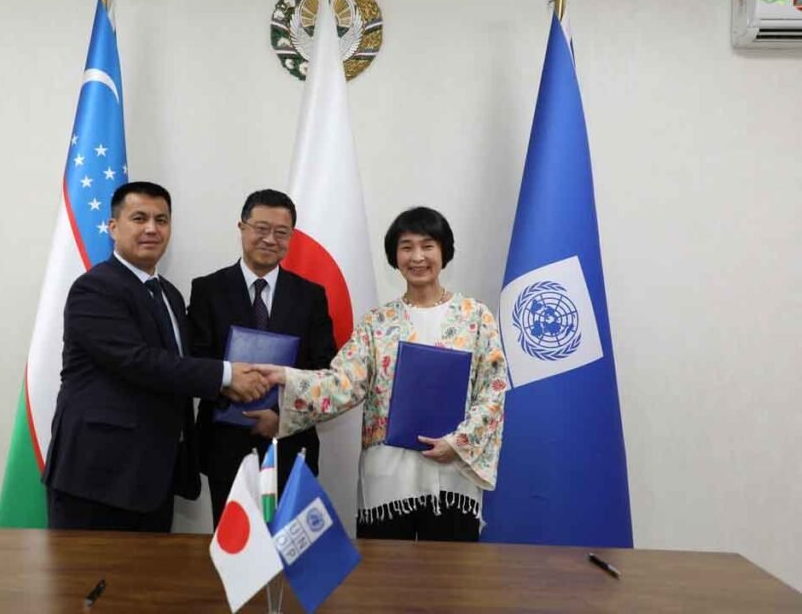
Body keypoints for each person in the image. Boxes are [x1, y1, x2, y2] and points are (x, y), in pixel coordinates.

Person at [256, 206, 509, 541]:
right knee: (385, 572)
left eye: (427, 246)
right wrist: (288, 379)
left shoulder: (475, 316)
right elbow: (343, 382)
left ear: (444, 251)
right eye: (406, 247)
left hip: (452, 474)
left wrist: (459, 442)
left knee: (448, 572)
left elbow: (493, 389)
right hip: (388, 479)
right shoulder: (377, 323)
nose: (417, 257)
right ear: (394, 256)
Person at [41, 181, 270, 532]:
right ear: (113, 227)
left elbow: (181, 365)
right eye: (139, 218)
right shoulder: (95, 287)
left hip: (153, 477)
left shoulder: (170, 295)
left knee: (148, 570)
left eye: (161, 220)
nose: (152, 228)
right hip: (97, 477)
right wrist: (226, 376)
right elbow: (139, 361)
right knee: (86, 570)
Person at [190, 189, 336, 528]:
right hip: (224, 447)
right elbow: (196, 359)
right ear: (241, 227)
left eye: (281, 232)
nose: (270, 239)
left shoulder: (311, 295)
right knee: (234, 547)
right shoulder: (207, 289)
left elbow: (324, 367)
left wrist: (281, 415)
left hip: (290, 445)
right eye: (261, 228)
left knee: (289, 548)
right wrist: (230, 385)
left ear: (291, 237)